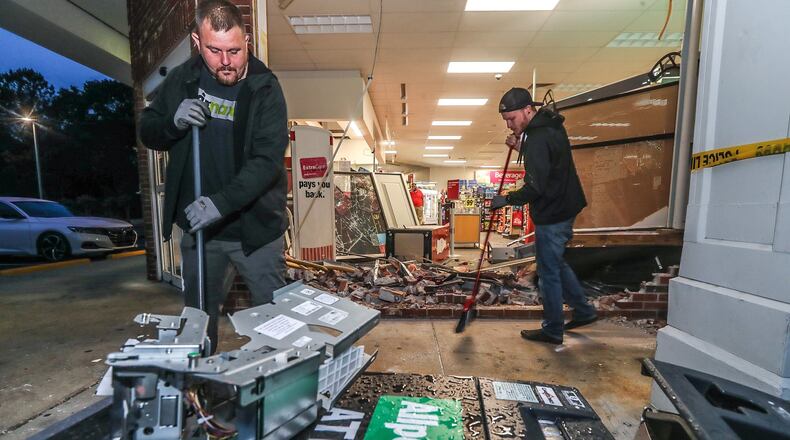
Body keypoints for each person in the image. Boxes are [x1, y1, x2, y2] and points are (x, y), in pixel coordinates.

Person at [139, 0, 289, 353]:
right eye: (215, 50)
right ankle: (200, 394)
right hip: (201, 232)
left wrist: (220, 203)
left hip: (256, 231)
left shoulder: (265, 88)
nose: (226, 61)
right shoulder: (183, 80)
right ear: (197, 41)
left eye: (235, 51)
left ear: (247, 40)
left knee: (275, 320)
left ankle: (277, 393)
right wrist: (172, 121)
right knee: (198, 322)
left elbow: (266, 162)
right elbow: (149, 131)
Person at [490, 87, 597, 345]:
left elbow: (535, 186)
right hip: (564, 206)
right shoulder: (549, 127)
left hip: (553, 212)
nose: (509, 124)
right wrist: (521, 148)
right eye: (506, 120)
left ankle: (552, 329)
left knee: (548, 272)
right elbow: (547, 163)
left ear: (528, 110)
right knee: (556, 264)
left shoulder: (537, 137)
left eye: (512, 118)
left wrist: (506, 199)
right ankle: (583, 310)